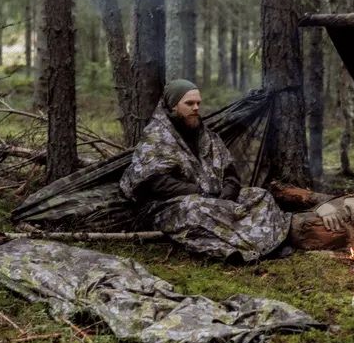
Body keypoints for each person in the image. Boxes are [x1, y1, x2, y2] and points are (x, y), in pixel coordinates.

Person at [120, 79, 290, 262]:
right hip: (169, 206)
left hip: (215, 197)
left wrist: (229, 190)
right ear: (173, 105)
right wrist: (200, 192)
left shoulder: (206, 135)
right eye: (189, 103)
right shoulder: (155, 137)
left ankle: (269, 244)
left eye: (198, 103)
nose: (195, 108)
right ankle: (240, 250)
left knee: (260, 195)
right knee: (198, 209)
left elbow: (230, 171)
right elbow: (155, 183)